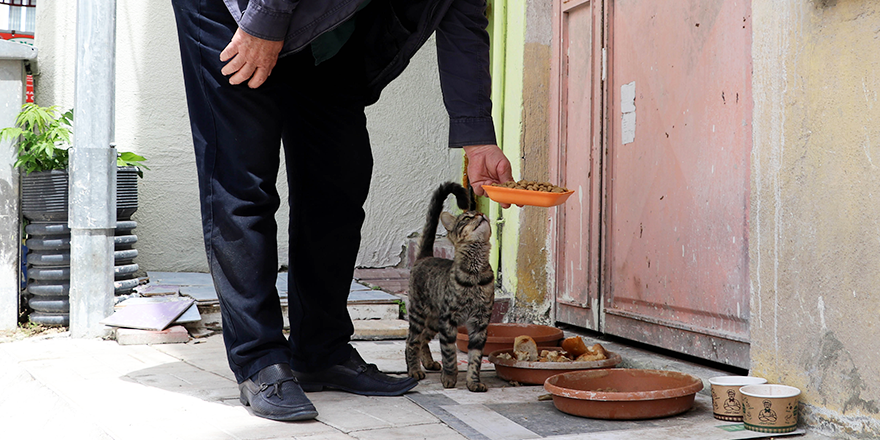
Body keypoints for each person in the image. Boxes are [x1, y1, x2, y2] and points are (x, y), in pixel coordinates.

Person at [171, 0, 513, 422]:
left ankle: (321, 351)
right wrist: (264, 20)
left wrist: (477, 134)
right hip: (235, 11)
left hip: (328, 28)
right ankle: (259, 360)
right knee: (242, 182)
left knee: (338, 178)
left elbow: (460, 14)